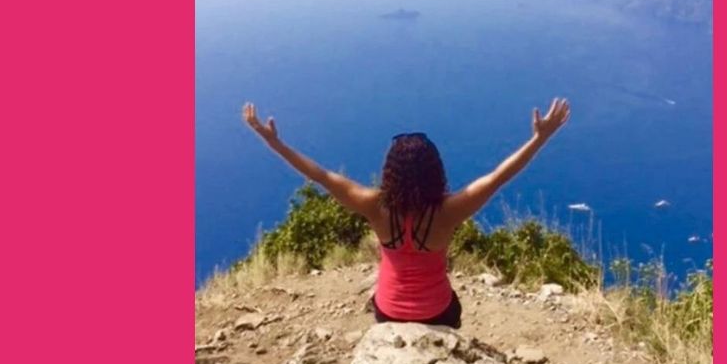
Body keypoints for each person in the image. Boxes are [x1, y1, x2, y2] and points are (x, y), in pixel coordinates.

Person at [241, 98, 571, 329]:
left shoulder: (374, 205)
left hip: (388, 311)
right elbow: (500, 175)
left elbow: (319, 175)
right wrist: (540, 138)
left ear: (390, 172)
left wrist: (275, 143)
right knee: (453, 308)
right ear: (434, 169)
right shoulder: (449, 211)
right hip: (437, 312)